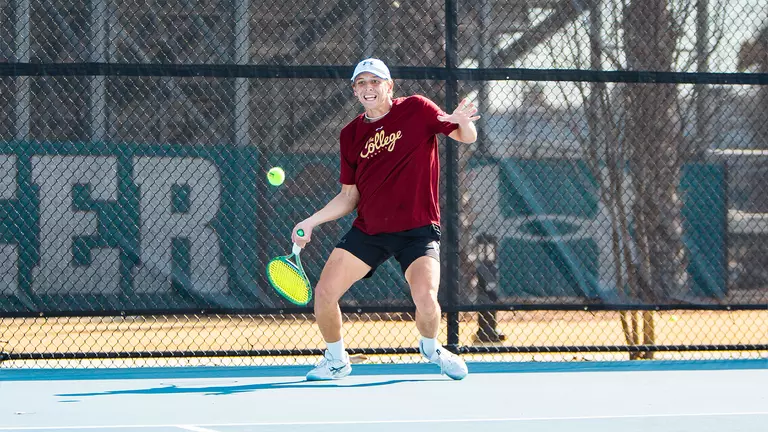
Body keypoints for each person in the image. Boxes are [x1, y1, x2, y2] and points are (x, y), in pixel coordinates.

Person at [291, 58, 480, 381]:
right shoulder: (350, 134)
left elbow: (466, 137)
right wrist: (311, 221)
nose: (368, 88)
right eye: (361, 83)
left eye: (375, 81)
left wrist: (464, 122)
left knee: (426, 299)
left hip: (418, 230)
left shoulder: (418, 108)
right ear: (355, 90)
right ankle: (336, 360)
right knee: (324, 292)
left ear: (389, 86)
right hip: (371, 230)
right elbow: (348, 197)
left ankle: (431, 348)